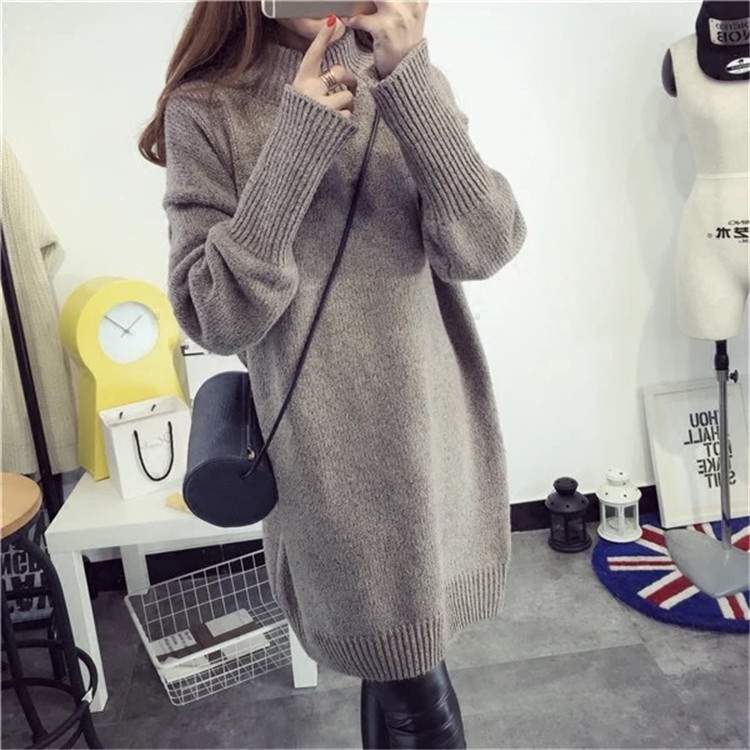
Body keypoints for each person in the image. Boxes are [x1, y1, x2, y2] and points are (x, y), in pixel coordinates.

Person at [139, 2, 526, 746]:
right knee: (416, 692)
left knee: (403, 668)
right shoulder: (207, 107)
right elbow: (214, 314)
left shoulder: (400, 73)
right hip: (329, 462)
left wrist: (409, 82)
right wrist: (296, 140)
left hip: (436, 430)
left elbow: (485, 246)